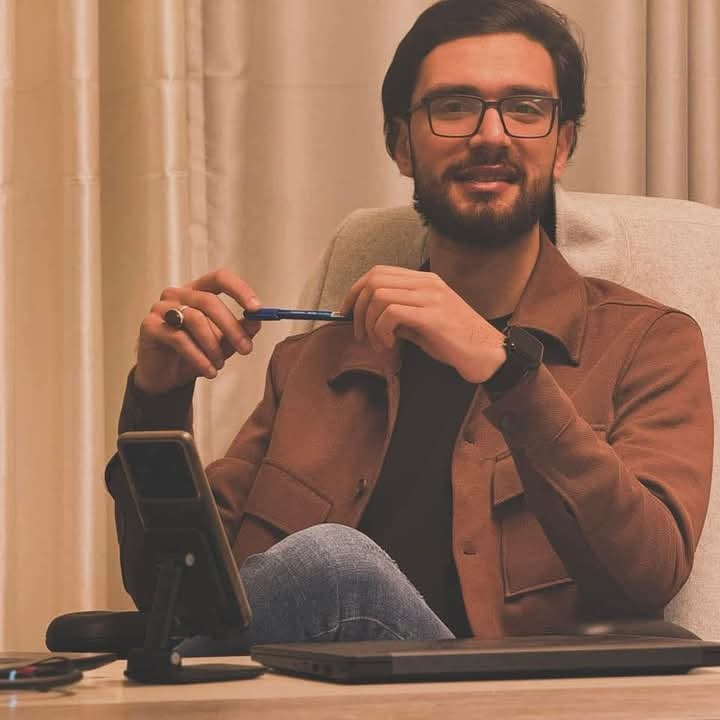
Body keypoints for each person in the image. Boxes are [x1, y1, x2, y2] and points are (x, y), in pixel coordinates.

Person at [106, 0, 713, 651]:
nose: (491, 134)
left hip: (499, 695)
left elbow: (649, 572)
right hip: (293, 692)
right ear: (401, 145)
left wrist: (507, 369)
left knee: (337, 567)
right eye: (454, 106)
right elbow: (176, 593)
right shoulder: (311, 364)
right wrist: (158, 399)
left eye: (525, 108)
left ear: (562, 145)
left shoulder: (650, 343)